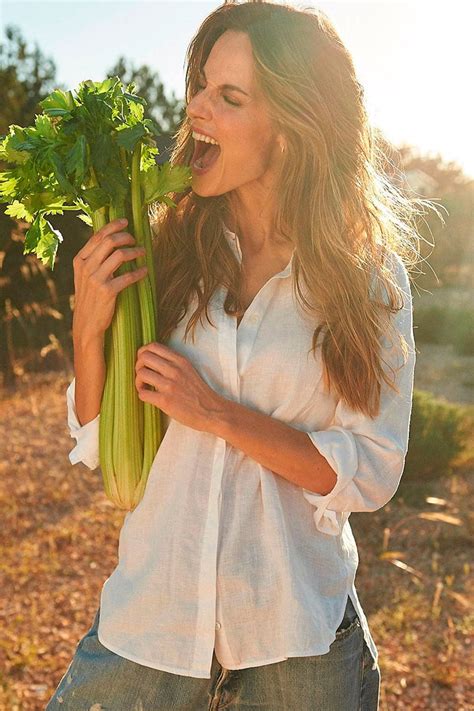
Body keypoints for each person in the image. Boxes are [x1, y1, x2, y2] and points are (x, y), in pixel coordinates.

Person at [46, 1, 425, 708]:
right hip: (151, 624)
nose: (196, 110)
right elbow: (101, 444)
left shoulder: (366, 281)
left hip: (295, 637)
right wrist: (87, 327)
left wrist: (216, 412)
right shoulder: (167, 251)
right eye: (200, 86)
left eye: (229, 97)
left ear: (291, 123)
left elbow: (369, 469)